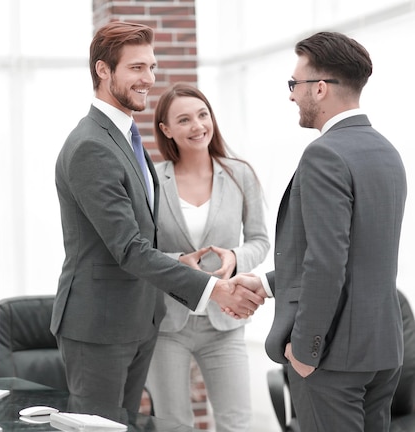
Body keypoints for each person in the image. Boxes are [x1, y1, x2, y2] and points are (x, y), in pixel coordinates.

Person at [52, 21, 264, 414]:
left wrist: (180, 263)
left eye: (151, 67)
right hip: (100, 326)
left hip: (139, 320)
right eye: (136, 68)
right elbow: (129, 249)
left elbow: (142, 239)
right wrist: (215, 289)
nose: (149, 79)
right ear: (103, 70)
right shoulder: (91, 146)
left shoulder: (126, 138)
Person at [230, 32, 407, 432]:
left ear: (320, 88)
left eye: (295, 84)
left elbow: (328, 262)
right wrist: (267, 283)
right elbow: (360, 253)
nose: (291, 95)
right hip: (382, 350)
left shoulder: (324, 153)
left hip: (332, 356)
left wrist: (306, 350)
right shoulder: (387, 151)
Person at [144, 83, 269, 431]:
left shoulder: (239, 173)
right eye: (184, 119)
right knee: (173, 424)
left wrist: (234, 255)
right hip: (169, 323)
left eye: (203, 115)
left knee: (236, 423)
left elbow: (260, 240)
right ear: (166, 129)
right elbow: (143, 251)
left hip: (224, 323)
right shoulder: (153, 181)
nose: (198, 125)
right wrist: (177, 262)